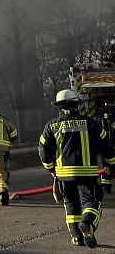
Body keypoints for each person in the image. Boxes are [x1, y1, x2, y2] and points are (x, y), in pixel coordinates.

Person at [40, 88, 115, 248]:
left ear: (58, 106)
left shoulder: (51, 126)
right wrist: (111, 163)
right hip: (86, 173)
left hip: (63, 175)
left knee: (71, 204)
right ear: (77, 104)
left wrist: (51, 169)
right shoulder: (91, 124)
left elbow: (43, 149)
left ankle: (77, 238)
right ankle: (87, 223)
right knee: (92, 202)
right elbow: (106, 145)